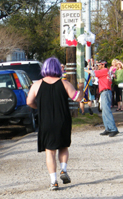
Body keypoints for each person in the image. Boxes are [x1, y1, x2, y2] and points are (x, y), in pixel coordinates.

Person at [26, 57, 84, 191]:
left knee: (50, 151)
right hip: (62, 120)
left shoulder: (37, 85)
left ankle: (53, 181)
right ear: (58, 68)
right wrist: (80, 88)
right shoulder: (65, 84)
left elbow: (29, 102)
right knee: (63, 146)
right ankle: (63, 169)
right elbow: (77, 98)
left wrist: (38, 107)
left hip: (46, 121)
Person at [86, 61, 119, 137]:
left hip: (105, 91)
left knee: (106, 110)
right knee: (104, 111)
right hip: (104, 92)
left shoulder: (104, 70)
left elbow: (93, 73)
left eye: (99, 65)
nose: (98, 66)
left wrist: (84, 70)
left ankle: (113, 128)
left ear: (103, 65)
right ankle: (108, 128)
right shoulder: (106, 71)